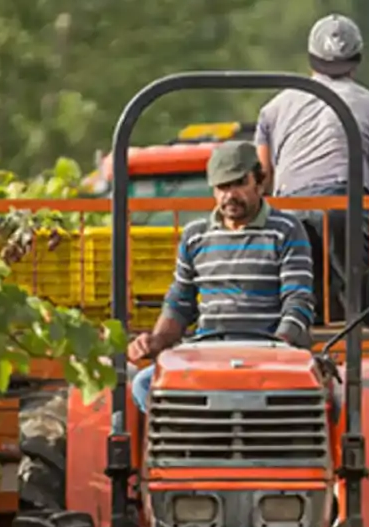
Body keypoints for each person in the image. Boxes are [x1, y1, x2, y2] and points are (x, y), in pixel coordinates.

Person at [127, 138, 313, 414]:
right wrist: (156, 340)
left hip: (267, 350)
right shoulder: (195, 236)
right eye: (222, 187)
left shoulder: (286, 230)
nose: (230, 195)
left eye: (238, 184)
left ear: (259, 183)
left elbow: (298, 299)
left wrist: (282, 344)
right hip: (208, 349)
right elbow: (179, 302)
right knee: (144, 383)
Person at [255, 14, 369, 328]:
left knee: (290, 286)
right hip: (349, 209)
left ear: (311, 58)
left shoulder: (274, 108)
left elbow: (263, 182)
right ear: (357, 60)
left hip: (290, 212)